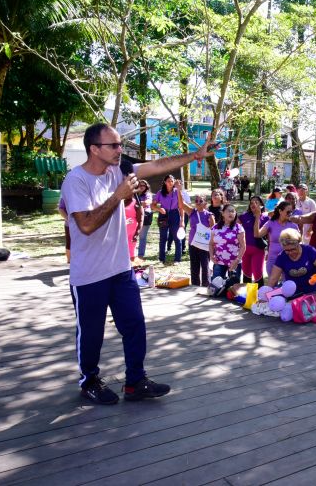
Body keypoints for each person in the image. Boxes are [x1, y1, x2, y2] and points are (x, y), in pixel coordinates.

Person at [61, 122, 214, 404]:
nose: (121, 150)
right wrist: (117, 196)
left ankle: (135, 382)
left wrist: (194, 156)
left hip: (120, 269)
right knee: (91, 333)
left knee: (134, 324)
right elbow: (85, 225)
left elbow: (158, 165)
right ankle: (90, 381)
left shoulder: (119, 169)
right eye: (114, 145)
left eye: (120, 144)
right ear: (94, 149)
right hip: (89, 275)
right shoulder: (76, 180)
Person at [267, 228, 316, 296]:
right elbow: (273, 279)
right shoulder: (281, 257)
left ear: (298, 243)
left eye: (293, 249)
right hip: (291, 292)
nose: (291, 252)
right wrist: (267, 295)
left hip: (310, 291)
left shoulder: (309, 251)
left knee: (307, 307)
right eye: (287, 250)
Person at [255, 200, 299, 277]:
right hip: (272, 260)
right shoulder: (271, 223)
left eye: (291, 212)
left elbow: (299, 244)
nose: (290, 214)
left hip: (288, 260)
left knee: (286, 285)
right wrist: (257, 217)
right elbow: (257, 234)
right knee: (272, 284)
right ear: (280, 211)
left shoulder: (293, 226)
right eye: (288, 212)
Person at [179, 189, 213, 287]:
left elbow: (213, 231)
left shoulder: (209, 215)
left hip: (205, 245)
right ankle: (195, 286)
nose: (198, 203)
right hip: (193, 243)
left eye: (200, 201)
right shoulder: (192, 212)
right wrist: (178, 190)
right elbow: (181, 204)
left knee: (205, 266)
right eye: (196, 201)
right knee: (194, 266)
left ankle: (206, 286)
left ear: (205, 203)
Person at [210, 203, 245, 288]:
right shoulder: (215, 228)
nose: (231, 213)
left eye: (233, 211)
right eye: (228, 211)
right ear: (222, 213)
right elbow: (211, 244)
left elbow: (243, 246)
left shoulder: (238, 228)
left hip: (234, 262)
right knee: (216, 287)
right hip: (219, 262)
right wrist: (211, 255)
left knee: (233, 290)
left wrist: (237, 260)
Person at [153, 175, 182, 264]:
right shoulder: (160, 192)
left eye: (172, 181)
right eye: (168, 181)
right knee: (163, 237)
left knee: (177, 237)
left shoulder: (177, 192)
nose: (170, 183)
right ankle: (162, 258)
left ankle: (177, 259)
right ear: (165, 182)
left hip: (174, 214)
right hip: (163, 215)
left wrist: (182, 220)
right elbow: (152, 205)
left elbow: (181, 207)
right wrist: (159, 209)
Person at [239, 197, 267, 285]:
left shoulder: (266, 218)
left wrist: (258, 216)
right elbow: (231, 224)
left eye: (256, 202)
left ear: (261, 205)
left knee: (257, 273)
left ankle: (260, 295)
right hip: (245, 250)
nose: (253, 204)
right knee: (246, 273)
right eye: (251, 203)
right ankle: (246, 295)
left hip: (258, 250)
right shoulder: (244, 216)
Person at [136, 180, 153, 258]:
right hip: (135, 216)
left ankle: (140, 255)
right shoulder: (134, 194)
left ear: (146, 187)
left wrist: (135, 203)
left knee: (142, 237)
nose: (142, 187)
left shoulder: (148, 194)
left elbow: (147, 203)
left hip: (146, 216)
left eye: (143, 185)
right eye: (140, 185)